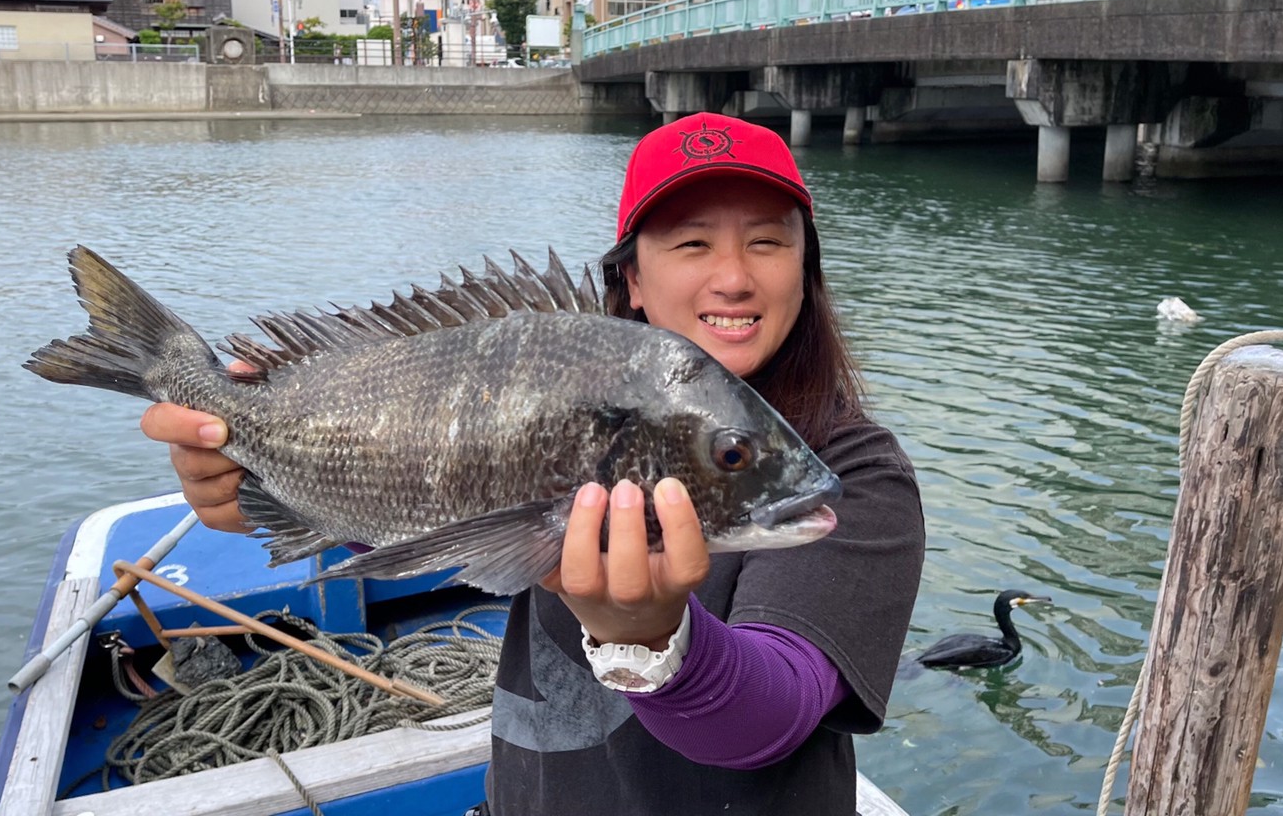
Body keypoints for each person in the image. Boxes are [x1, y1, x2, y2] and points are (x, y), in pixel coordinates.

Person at [139, 112, 926, 815]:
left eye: (767, 240)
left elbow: (776, 713)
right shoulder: (587, 399)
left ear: (804, 270)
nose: (733, 276)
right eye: (692, 243)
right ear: (633, 281)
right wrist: (262, 484)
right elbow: (440, 516)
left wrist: (651, 640)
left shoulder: (854, 473)